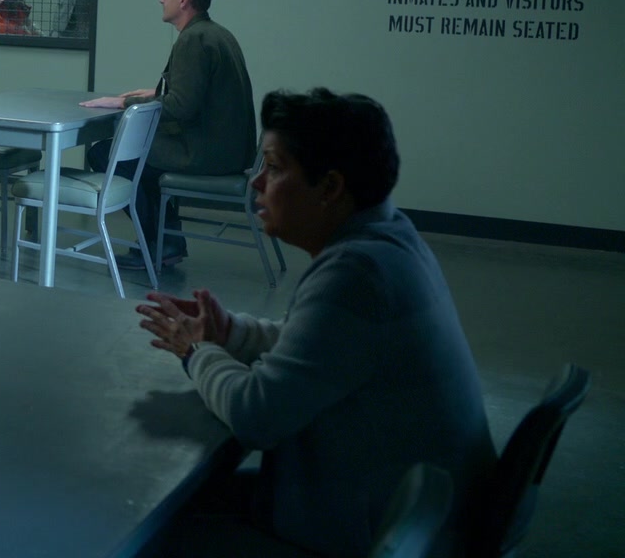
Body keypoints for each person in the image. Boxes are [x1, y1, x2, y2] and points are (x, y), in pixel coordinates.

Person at [136, 89, 495, 558]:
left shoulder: (356, 276)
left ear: (329, 188)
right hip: (411, 514)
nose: (256, 182)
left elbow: (255, 416)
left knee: (157, 531)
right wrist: (229, 333)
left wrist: (196, 351)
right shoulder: (390, 238)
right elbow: (315, 344)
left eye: (273, 167)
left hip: (371, 531)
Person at [82, 0, 254, 270]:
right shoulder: (216, 34)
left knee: (107, 154)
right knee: (136, 159)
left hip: (205, 152)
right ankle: (167, 240)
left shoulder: (192, 40)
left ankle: (158, 244)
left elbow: (181, 107)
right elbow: (199, 93)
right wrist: (156, 93)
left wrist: (124, 102)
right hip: (228, 149)